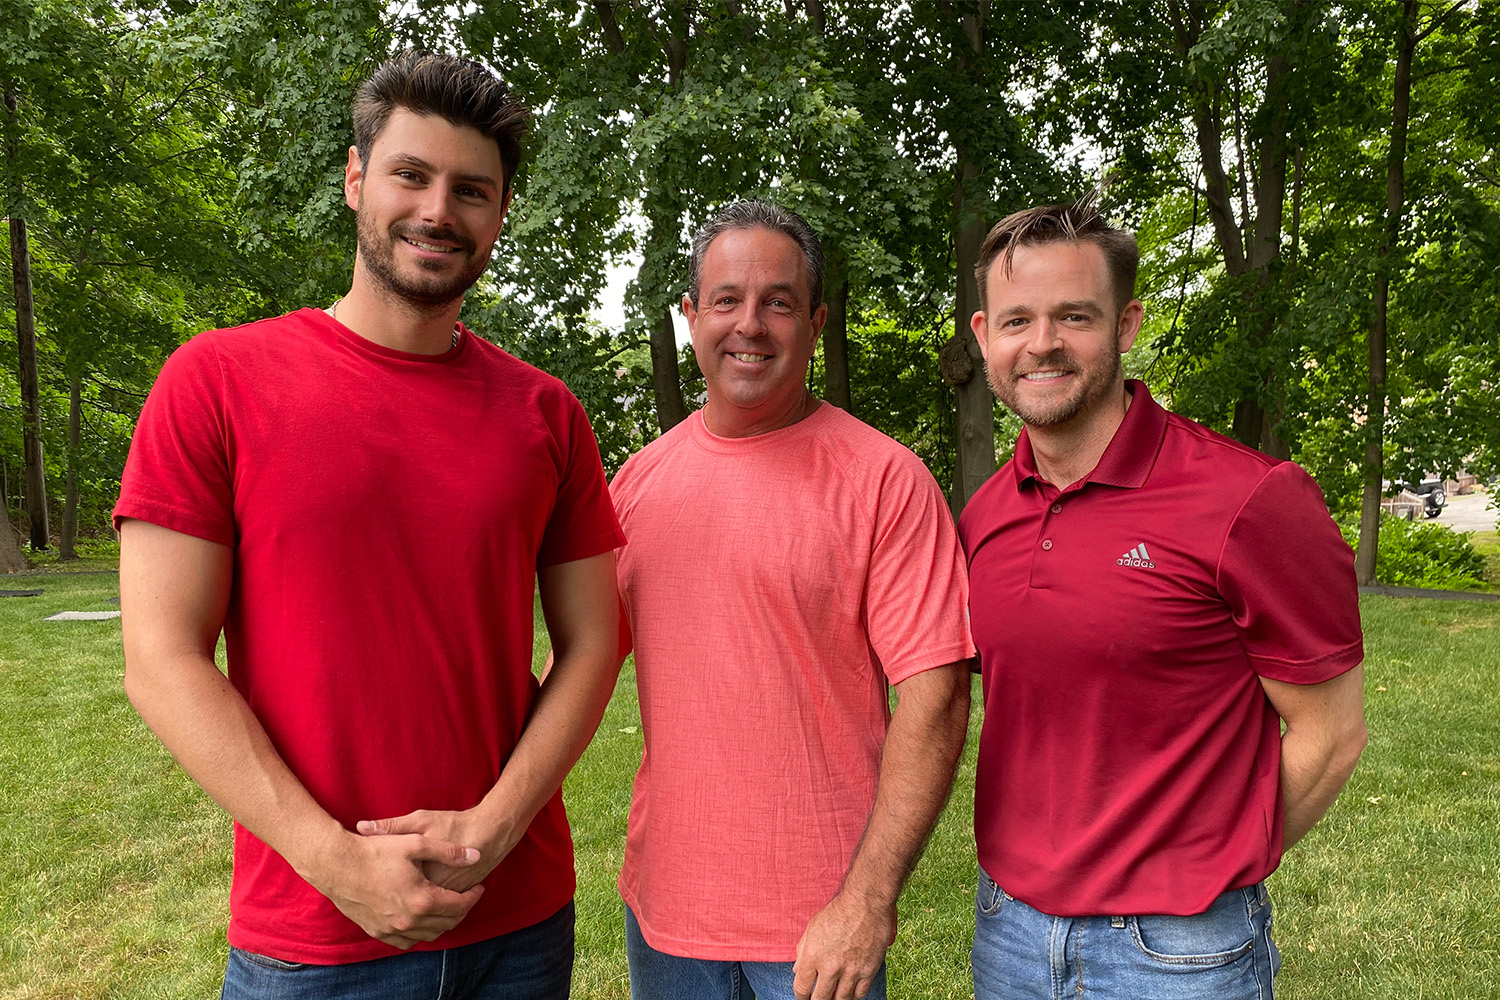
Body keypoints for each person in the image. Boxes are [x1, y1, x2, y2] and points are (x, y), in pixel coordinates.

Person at [115, 50, 625, 999]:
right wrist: (336, 862)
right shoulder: (216, 383)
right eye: (411, 175)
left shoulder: (545, 413)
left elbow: (597, 641)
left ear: (500, 215)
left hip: (517, 927)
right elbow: (161, 658)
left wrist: (494, 829)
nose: (439, 210)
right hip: (312, 935)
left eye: (472, 190)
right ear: (356, 181)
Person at [960, 202, 1368, 1000]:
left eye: (1074, 316)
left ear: (1126, 325)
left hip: (1177, 951)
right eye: (1017, 320)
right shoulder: (985, 515)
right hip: (1008, 930)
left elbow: (1334, 731)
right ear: (985, 337)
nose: (1041, 343)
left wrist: (1213, 866)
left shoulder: (1250, 499)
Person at [610, 200, 975, 1000]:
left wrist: (867, 904)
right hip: (665, 920)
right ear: (691, 316)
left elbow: (937, 700)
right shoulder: (635, 486)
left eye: (778, 302)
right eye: (727, 300)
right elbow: (576, 674)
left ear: (813, 324)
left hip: (820, 931)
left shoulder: (885, 481)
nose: (750, 324)